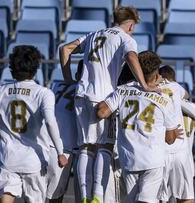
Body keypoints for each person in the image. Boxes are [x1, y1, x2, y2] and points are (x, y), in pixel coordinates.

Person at [60, 7, 159, 203]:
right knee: (105, 145)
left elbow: (65, 49)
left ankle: (86, 196)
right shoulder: (125, 38)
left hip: (81, 94)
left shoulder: (94, 34)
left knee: (86, 147)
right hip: (103, 97)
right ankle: (97, 195)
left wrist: (69, 80)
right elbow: (131, 57)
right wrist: (144, 85)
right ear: (130, 24)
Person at [0, 45, 68, 203]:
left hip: (8, 159)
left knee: (5, 198)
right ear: (36, 68)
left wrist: (3, 136)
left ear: (12, 68)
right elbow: (50, 122)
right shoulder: (44, 93)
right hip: (34, 161)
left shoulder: (0, 91)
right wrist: (60, 152)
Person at [96, 51, 182, 203]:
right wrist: (171, 131)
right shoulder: (164, 98)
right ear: (157, 75)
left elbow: (102, 112)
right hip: (153, 161)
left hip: (129, 159)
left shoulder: (122, 90)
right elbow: (170, 139)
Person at [158, 65, 195, 203]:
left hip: (163, 152)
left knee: (160, 198)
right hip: (185, 158)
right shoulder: (192, 108)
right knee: (185, 198)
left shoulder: (157, 97)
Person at [46, 60, 84, 203]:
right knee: (79, 194)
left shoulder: (57, 85)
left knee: (55, 195)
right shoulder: (88, 89)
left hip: (55, 143)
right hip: (67, 145)